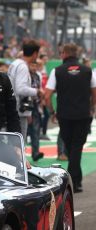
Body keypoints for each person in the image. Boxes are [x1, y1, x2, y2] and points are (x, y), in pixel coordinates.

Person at [45, 43, 96, 193]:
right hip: (82, 114)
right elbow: (95, 93)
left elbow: (47, 96)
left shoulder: (57, 71)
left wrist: (52, 111)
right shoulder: (88, 71)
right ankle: (76, 180)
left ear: (64, 54)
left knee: (70, 146)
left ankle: (74, 180)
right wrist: (92, 108)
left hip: (64, 115)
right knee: (76, 147)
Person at [8, 40, 44, 158]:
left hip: (13, 108)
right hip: (18, 110)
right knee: (19, 144)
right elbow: (21, 89)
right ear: (34, 54)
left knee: (14, 144)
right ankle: (19, 171)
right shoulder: (22, 66)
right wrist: (37, 91)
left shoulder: (15, 63)